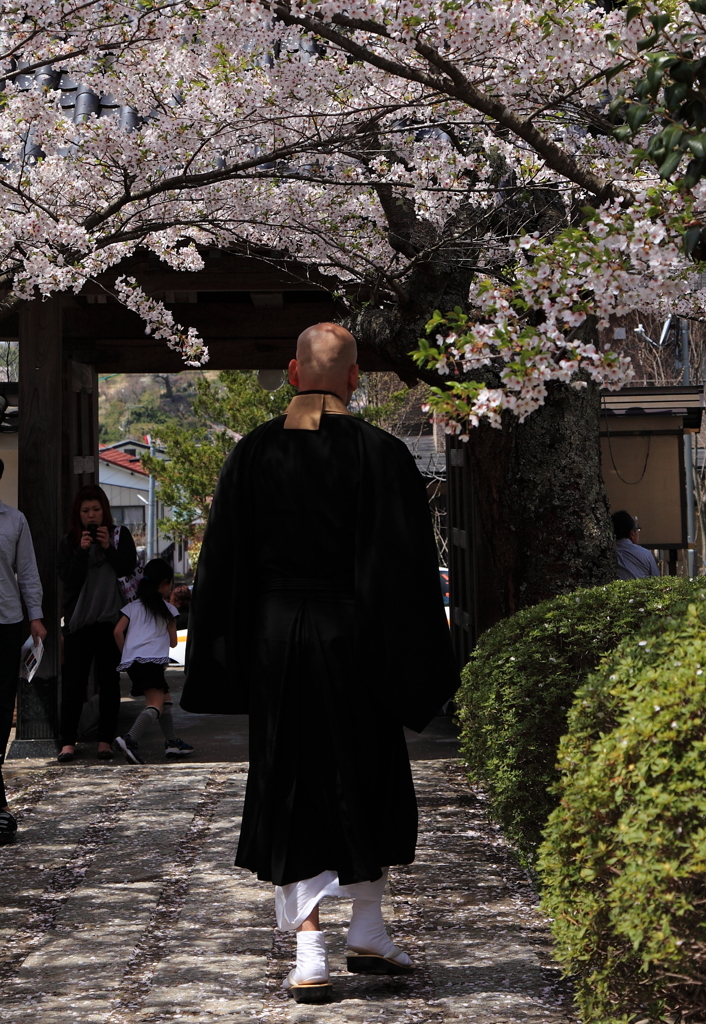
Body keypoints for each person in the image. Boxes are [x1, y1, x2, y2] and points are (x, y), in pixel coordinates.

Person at [182, 322, 459, 1003]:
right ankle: (367, 927)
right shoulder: (384, 454)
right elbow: (407, 571)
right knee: (367, 776)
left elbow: (222, 565)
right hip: (357, 639)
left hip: (279, 642)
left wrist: (227, 654)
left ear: (293, 373)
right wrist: (417, 660)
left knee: (292, 780)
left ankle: (312, 950)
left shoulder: (253, 454)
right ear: (356, 378)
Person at [57, 485, 137, 762]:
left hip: (110, 622)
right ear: (77, 515)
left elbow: (128, 568)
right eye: (85, 511)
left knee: (110, 683)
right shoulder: (69, 542)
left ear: (105, 511)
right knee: (73, 684)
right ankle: (67, 742)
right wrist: (81, 551)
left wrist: (107, 547)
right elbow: (67, 578)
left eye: (96, 510)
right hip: (79, 623)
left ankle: (105, 740)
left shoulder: (119, 536)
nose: (91, 516)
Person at [0, 459, 46, 843]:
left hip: (6, 623)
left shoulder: (14, 521)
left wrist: (36, 616)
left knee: (1, 713)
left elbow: (27, 571)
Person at [113, 558, 194, 764]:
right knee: (155, 705)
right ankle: (129, 739)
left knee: (165, 699)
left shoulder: (132, 607)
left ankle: (172, 742)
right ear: (166, 583)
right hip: (152, 662)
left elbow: (117, 631)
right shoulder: (168, 610)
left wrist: (127, 653)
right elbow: (174, 643)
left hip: (133, 663)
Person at [612, 510, 660, 581]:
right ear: (632, 534)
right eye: (637, 529)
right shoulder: (645, 554)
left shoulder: (606, 554)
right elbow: (657, 582)